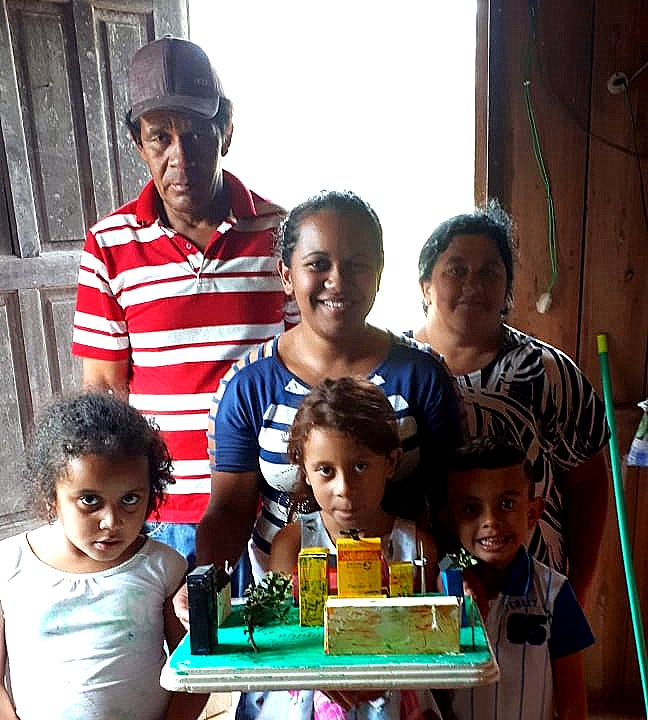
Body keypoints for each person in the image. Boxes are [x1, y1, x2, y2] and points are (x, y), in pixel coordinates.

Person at [176, 190, 462, 720]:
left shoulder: (421, 376)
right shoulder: (250, 384)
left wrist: (464, 582)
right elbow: (230, 509)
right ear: (287, 276)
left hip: (399, 613)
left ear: (379, 274)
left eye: (357, 265)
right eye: (318, 264)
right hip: (288, 612)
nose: (338, 281)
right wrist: (204, 586)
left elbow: (452, 505)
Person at [71, 36, 297, 571]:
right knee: (177, 650)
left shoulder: (279, 233)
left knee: (275, 649)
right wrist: (121, 505)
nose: (181, 156)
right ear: (137, 142)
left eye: (197, 134)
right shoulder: (108, 245)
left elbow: (306, 362)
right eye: (160, 137)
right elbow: (105, 391)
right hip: (160, 513)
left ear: (228, 131)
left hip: (270, 506)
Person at [410, 200, 609, 607]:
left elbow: (587, 484)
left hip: (534, 594)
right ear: (426, 286)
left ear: (507, 289)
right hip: (423, 592)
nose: (473, 284)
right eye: (456, 270)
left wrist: (579, 592)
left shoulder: (547, 373)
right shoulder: (396, 371)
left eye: (489, 272)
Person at [0, 392, 208, 720]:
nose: (111, 522)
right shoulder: (9, 564)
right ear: (50, 494)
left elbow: (195, 669)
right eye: (89, 501)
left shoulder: (163, 568)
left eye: (129, 499)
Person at [265, 375, 440, 720]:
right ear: (305, 468)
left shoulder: (415, 546)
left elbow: (429, 637)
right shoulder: (293, 544)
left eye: (360, 466)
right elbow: (280, 634)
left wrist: (382, 676)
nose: (344, 488)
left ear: (390, 462)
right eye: (326, 471)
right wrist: (320, 674)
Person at [443, 436, 594, 720]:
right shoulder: (443, 585)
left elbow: (573, 702)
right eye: (471, 508)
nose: (490, 521)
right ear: (451, 520)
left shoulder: (555, 593)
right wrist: (451, 567)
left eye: (506, 504)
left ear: (532, 512)